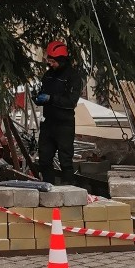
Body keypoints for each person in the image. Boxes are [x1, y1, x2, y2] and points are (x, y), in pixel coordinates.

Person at [33, 40, 81, 184]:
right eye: (49, 61)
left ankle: (69, 190)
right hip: (48, 123)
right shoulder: (48, 75)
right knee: (44, 159)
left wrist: (51, 98)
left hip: (64, 124)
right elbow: (42, 92)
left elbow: (71, 101)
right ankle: (48, 187)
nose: (51, 64)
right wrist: (38, 98)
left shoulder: (73, 77)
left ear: (61, 60)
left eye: (53, 61)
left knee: (65, 160)